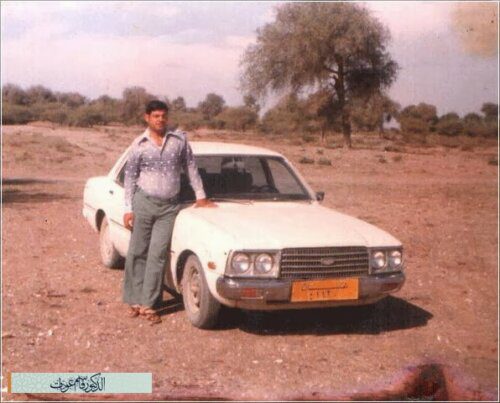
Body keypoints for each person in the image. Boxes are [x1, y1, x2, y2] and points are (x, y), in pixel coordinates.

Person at [122, 100, 215, 324]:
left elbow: (191, 168)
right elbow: (130, 177)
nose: (160, 120)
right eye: (155, 116)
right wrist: (128, 209)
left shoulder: (179, 140)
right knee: (138, 252)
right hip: (143, 203)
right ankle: (134, 300)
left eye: (163, 116)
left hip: (169, 207)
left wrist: (201, 196)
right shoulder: (139, 144)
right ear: (147, 118)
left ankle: (149, 305)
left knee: (157, 255)